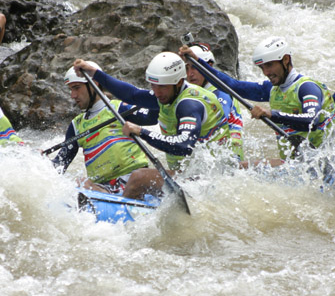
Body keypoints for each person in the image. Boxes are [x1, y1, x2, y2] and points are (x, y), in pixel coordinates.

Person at [73, 52, 230, 200]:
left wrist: (142, 132)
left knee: (139, 177)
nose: (156, 92)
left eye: (161, 87)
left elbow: (184, 145)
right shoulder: (168, 93)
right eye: (153, 85)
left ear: (179, 82)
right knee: (83, 182)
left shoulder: (189, 104)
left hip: (209, 177)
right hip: (189, 174)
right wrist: (95, 73)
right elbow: (132, 95)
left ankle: (121, 215)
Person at [181, 36, 335, 163]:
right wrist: (198, 62)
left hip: (326, 160)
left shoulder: (307, 88)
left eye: (269, 65)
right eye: (262, 67)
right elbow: (232, 85)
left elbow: (312, 120)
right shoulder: (271, 89)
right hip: (300, 164)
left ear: (286, 60)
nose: (266, 72)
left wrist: (271, 114)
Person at [51, 63, 157, 194]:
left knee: (139, 177)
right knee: (81, 183)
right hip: (103, 190)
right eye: (71, 90)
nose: (73, 95)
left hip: (134, 181)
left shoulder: (120, 109)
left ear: (94, 84)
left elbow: (152, 118)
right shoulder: (76, 126)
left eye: (76, 88)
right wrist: (39, 164)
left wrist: (155, 93)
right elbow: (60, 164)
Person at [184, 43, 245, 160]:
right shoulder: (193, 92)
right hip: (209, 157)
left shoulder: (221, 91)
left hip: (230, 157)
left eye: (194, 67)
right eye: (187, 68)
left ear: (209, 66)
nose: (190, 74)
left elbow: (219, 117)